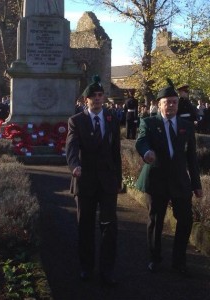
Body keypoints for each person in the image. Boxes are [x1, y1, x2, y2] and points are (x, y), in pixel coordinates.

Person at [135, 82, 203, 275]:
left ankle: (179, 260)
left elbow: (191, 158)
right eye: (167, 102)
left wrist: (196, 185)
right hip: (156, 179)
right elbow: (141, 141)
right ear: (159, 104)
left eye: (174, 102)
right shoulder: (149, 123)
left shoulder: (186, 126)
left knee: (186, 220)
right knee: (156, 221)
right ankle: (155, 258)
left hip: (180, 180)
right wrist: (147, 152)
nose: (172, 105)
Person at [66, 75, 122, 286]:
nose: (97, 99)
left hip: (107, 181)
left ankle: (107, 270)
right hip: (85, 179)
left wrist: (118, 180)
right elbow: (71, 148)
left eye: (100, 95)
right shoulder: (76, 121)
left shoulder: (111, 119)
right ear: (86, 100)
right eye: (93, 96)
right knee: (86, 226)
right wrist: (74, 166)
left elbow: (115, 151)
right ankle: (86, 267)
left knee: (109, 227)